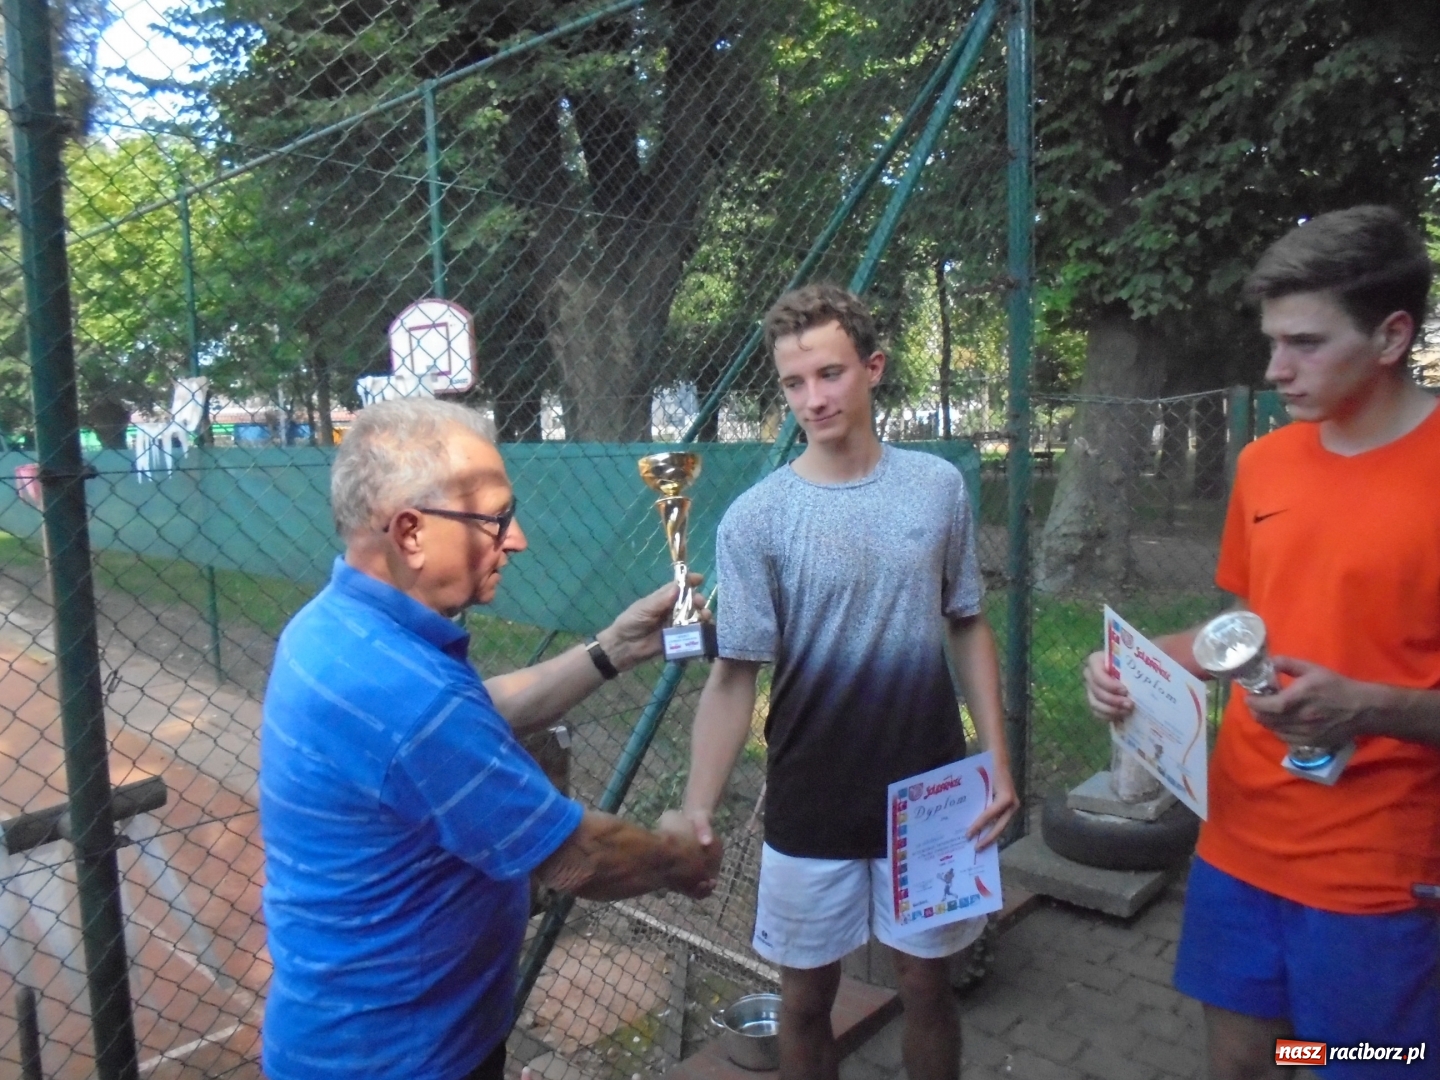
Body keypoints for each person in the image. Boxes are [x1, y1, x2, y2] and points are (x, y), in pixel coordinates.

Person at [260, 398, 722, 1080]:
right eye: (495, 518)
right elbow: (581, 858)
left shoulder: (338, 628)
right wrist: (681, 858)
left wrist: (614, 648)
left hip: (360, 1040)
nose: (518, 539)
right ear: (411, 533)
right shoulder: (409, 699)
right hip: (404, 1060)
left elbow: (480, 710)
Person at [1082, 206, 1440, 1080]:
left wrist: (1372, 705)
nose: (1275, 367)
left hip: (1379, 873)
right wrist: (1141, 664)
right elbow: (1246, 626)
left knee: (1350, 1062)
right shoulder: (1266, 464)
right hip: (1238, 841)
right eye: (1272, 340)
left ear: (1391, 336)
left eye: (1306, 343)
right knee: (1247, 1059)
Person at [682, 284, 1019, 1080]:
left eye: (829, 374)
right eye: (794, 383)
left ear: (873, 369)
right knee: (804, 1001)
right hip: (812, 793)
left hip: (930, 789)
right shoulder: (755, 519)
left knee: (927, 985)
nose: (813, 398)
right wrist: (697, 807)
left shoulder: (936, 488)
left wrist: (997, 760)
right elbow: (734, 676)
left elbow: (966, 620)